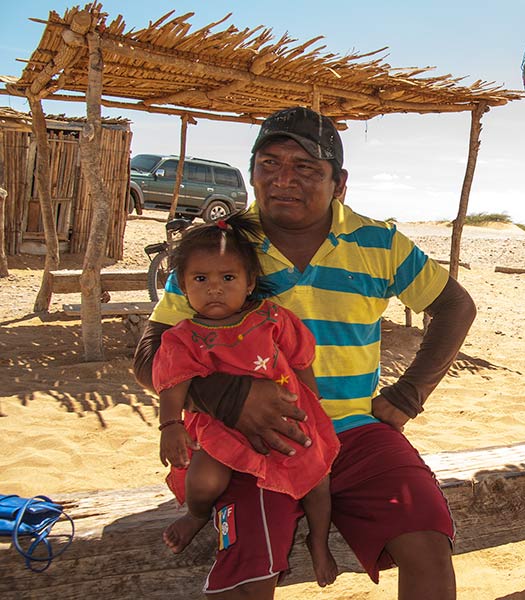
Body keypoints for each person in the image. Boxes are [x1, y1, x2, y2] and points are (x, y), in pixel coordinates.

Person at [134, 105, 476, 600]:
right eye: (268, 165)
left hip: (355, 433)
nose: (283, 180)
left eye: (306, 168)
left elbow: (454, 307)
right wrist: (228, 398)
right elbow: (151, 354)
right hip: (248, 443)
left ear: (339, 183)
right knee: (247, 570)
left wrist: (408, 395)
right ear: (251, 173)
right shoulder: (223, 248)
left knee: (427, 545)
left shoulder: (379, 244)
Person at [152, 213, 340, 588]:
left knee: (318, 479)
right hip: (221, 429)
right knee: (205, 480)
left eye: (228, 278)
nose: (215, 289)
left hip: (286, 421)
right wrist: (170, 425)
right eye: (201, 279)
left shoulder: (272, 319)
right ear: (182, 285)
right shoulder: (184, 336)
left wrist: (314, 410)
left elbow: (302, 362)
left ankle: (318, 542)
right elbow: (173, 382)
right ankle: (196, 515)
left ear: (250, 282)